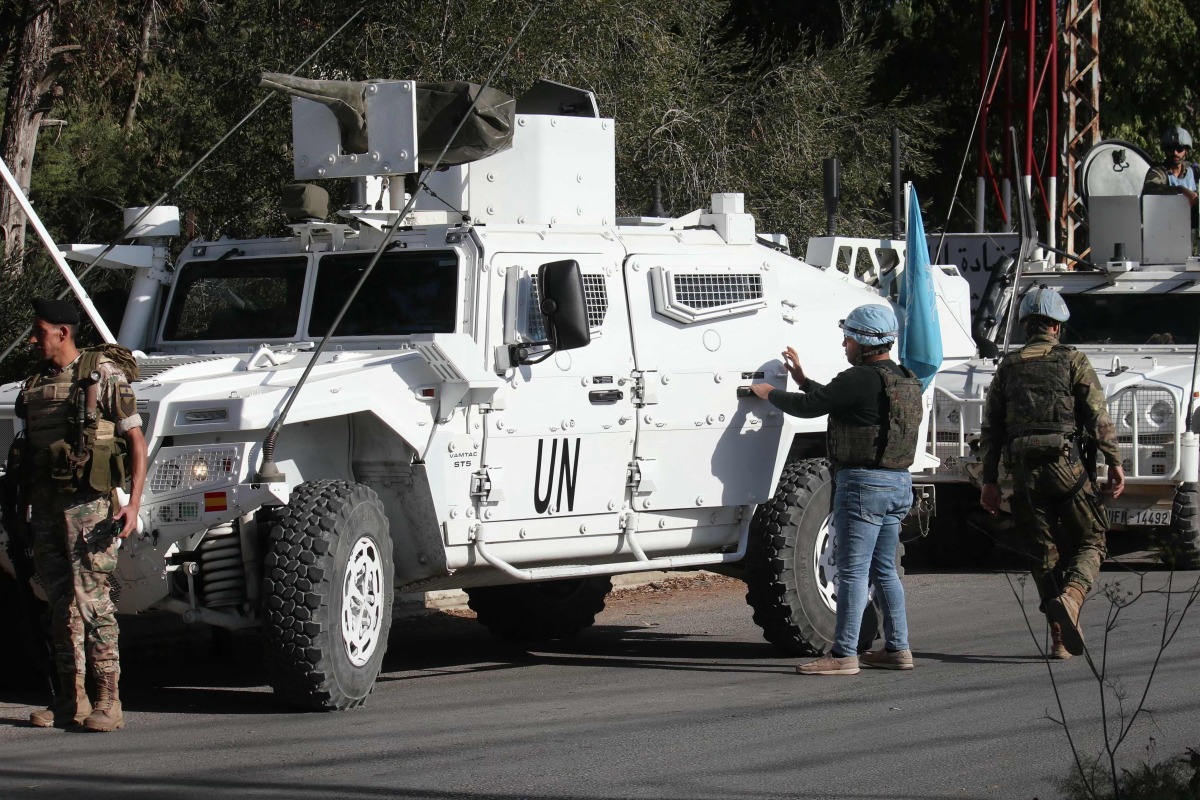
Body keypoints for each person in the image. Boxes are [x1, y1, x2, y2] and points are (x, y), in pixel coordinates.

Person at [749, 304, 922, 675]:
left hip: (863, 485)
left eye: (848, 338)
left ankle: (844, 654)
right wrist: (801, 377)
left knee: (853, 570)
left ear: (862, 341)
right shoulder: (905, 378)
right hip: (898, 483)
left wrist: (769, 393)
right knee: (884, 572)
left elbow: (812, 407)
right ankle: (898, 649)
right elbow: (835, 401)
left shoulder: (857, 377)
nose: (845, 345)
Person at [16, 298, 147, 731]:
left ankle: (110, 700)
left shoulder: (100, 375)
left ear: (63, 332)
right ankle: (71, 698)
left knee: (94, 602)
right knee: (59, 606)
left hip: (89, 508)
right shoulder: (35, 383)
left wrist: (133, 502)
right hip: (47, 509)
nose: (33, 339)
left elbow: (135, 440)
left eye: (39, 330)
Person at [978, 287, 1124, 659]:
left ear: (1026, 326)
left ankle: (1059, 638)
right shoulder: (1073, 359)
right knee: (1093, 538)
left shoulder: (1008, 367)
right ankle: (1072, 597)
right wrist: (1115, 461)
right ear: (1057, 328)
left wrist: (989, 481)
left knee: (1043, 555)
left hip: (1024, 472)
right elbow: (1097, 415)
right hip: (1067, 466)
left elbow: (991, 430)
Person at [1143, 125, 1199, 207]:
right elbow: (1150, 188)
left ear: (1186, 151)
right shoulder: (1160, 171)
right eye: (1171, 149)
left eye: (1180, 149)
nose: (1175, 153)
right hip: (1167, 218)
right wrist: (1181, 190)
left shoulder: (1194, 170)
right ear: (1165, 150)